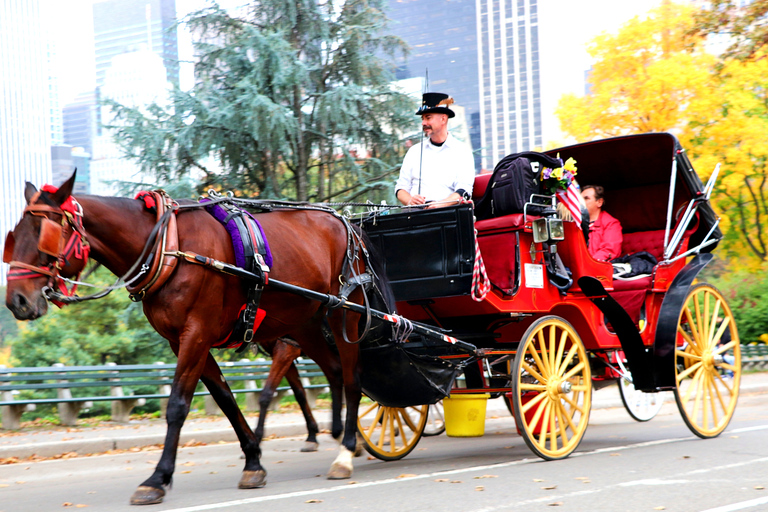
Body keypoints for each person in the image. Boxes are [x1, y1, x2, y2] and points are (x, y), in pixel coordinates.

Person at [395, 92, 475, 208]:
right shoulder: (414, 152)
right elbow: (400, 188)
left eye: (428, 118)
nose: (423, 123)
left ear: (443, 119)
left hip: (448, 214)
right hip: (415, 215)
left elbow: (464, 190)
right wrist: (410, 200)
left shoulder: (461, 151)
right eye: (422, 119)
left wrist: (439, 205)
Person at [581, 184, 623, 261]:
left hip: (596, 268)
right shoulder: (576, 223)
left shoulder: (611, 223)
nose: (581, 202)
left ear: (599, 202)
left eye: (586, 198)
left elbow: (609, 251)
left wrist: (589, 264)